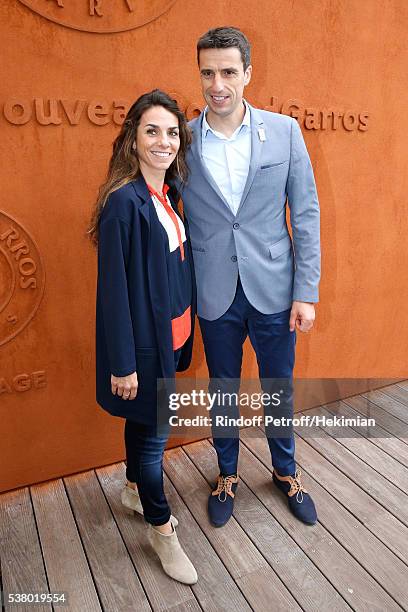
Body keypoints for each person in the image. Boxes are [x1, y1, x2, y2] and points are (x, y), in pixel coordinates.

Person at [178, 27, 321, 528]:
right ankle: (227, 474)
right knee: (223, 389)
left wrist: (306, 292)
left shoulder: (284, 132)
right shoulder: (183, 139)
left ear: (248, 74)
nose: (217, 83)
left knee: (278, 386)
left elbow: (304, 213)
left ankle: (286, 472)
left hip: (276, 290)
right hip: (214, 292)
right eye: (208, 72)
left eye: (228, 72)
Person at [88, 89, 197, 584]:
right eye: (152, 130)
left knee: (142, 427)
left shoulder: (168, 196)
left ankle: (132, 487)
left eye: (171, 132)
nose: (163, 141)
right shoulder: (123, 204)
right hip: (143, 349)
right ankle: (160, 527)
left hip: (170, 340)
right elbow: (114, 294)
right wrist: (124, 364)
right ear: (132, 139)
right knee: (156, 443)